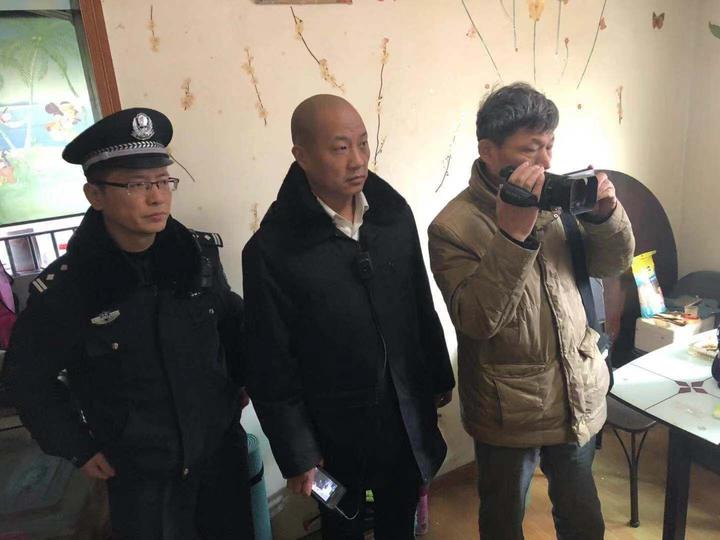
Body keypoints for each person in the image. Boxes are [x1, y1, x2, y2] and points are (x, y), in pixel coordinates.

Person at [4, 108, 253, 540]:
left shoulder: (195, 258)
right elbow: (27, 378)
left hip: (219, 456)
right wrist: (77, 446)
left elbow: (230, 322)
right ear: (95, 194)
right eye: (137, 185)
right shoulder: (70, 287)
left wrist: (241, 383)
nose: (157, 198)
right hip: (141, 476)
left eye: (163, 181)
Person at [428, 83, 635, 540]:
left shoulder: (560, 200)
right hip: (509, 408)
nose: (544, 161)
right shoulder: (452, 226)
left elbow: (611, 264)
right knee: (502, 520)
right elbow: (477, 320)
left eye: (549, 145)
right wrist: (512, 237)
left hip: (574, 391)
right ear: (488, 151)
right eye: (529, 149)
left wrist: (605, 215)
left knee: (584, 520)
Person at [242, 94, 455, 540]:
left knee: (400, 518)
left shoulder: (393, 217)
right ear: (301, 155)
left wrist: (437, 382)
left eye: (363, 143)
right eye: (340, 148)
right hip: (330, 435)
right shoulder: (272, 250)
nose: (357, 160)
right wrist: (298, 452)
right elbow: (270, 363)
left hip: (402, 417)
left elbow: (420, 304)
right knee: (341, 519)